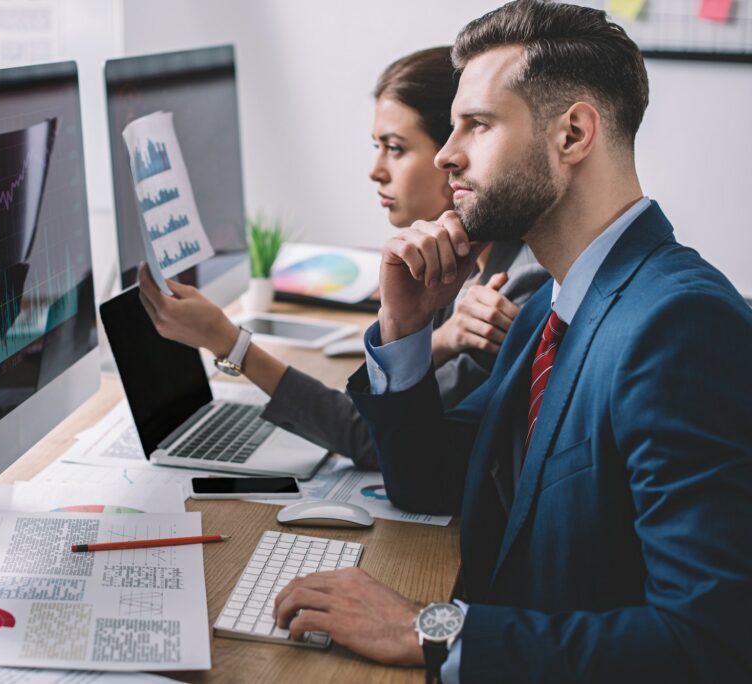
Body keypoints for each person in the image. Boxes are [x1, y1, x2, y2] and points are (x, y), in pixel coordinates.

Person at [272, 2, 752, 681]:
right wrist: (405, 329)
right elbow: (429, 482)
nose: (446, 153)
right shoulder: (546, 309)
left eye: (478, 124)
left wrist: (427, 628)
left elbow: (705, 644)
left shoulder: (679, 327)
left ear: (574, 133)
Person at [138, 46, 548, 468]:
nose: (376, 169)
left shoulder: (507, 292)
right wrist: (437, 341)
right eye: (377, 146)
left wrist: (228, 342)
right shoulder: (464, 264)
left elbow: (371, 437)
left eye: (395, 148)